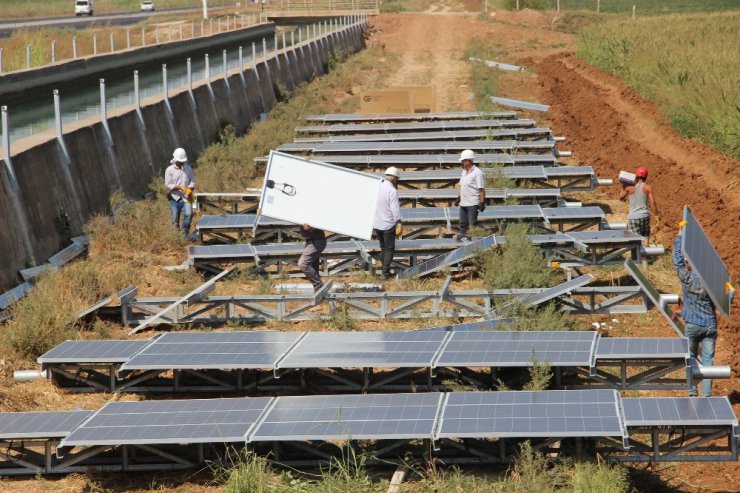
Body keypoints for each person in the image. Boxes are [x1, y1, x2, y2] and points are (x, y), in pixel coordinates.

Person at [673, 220, 734, 397]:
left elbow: (677, 262)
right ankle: (706, 396)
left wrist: (679, 235)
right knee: (708, 362)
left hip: (691, 324)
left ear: (690, 264)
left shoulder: (687, 278)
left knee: (690, 359)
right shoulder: (712, 281)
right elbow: (725, 300)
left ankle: (692, 392)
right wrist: (731, 293)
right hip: (709, 325)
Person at [372, 167, 402, 279]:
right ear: (393, 178)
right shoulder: (392, 190)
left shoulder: (378, 187)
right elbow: (395, 208)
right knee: (389, 249)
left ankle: (384, 270)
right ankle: (384, 273)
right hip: (388, 224)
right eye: (397, 178)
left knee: (383, 248)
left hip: (377, 223)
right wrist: (398, 221)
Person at [619, 166, 659, 243]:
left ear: (636, 176)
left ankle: (637, 254)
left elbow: (621, 198)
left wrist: (623, 186)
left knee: (634, 242)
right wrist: (656, 215)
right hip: (645, 216)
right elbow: (653, 203)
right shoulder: (648, 187)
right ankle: (646, 253)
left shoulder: (629, 188)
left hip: (634, 217)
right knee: (645, 237)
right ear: (646, 177)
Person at [164, 147, 196, 236]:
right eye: (180, 161)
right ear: (175, 159)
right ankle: (176, 236)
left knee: (189, 214)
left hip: (187, 197)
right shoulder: (169, 170)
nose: (182, 162)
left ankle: (184, 233)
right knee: (175, 219)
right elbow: (168, 184)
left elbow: (192, 181)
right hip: (174, 198)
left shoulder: (188, 168)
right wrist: (179, 187)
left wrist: (189, 188)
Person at [456, 149, 486, 242]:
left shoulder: (477, 172)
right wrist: (459, 197)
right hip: (463, 202)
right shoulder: (464, 171)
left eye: (463, 161)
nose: (461, 162)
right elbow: (462, 185)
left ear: (468, 161)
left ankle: (474, 242)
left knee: (472, 223)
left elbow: (481, 189)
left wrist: (482, 202)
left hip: (472, 203)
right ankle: (464, 240)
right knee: (462, 223)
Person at [298, 224, 326, 291]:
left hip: (316, 241)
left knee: (303, 264)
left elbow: (315, 224)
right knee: (313, 266)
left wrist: (312, 226)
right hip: (312, 241)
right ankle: (318, 289)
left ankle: (318, 285)